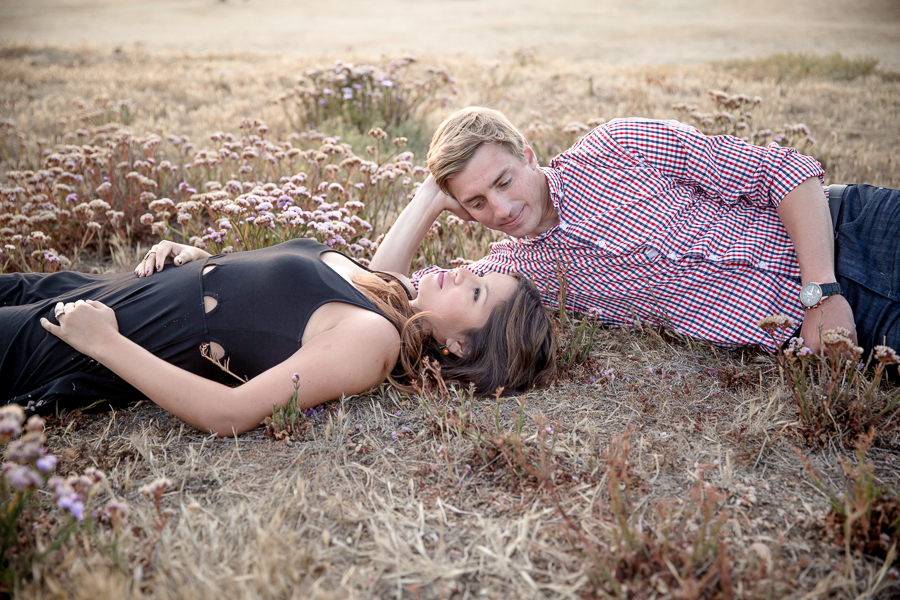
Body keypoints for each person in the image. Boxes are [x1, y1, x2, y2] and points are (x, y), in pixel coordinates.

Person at [371, 106, 900, 358]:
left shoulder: (618, 146)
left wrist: (821, 290)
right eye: (477, 202)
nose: (503, 209)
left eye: (505, 181)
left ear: (528, 155)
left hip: (851, 226)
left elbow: (785, 172)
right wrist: (427, 199)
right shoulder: (512, 272)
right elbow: (383, 289)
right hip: (845, 333)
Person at [1, 237, 557, 436]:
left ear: (459, 347)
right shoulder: (385, 288)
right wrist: (205, 264)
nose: (464, 271)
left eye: (478, 291)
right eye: (481, 271)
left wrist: (104, 343)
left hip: (73, 338)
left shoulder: (372, 340)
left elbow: (232, 413)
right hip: (92, 289)